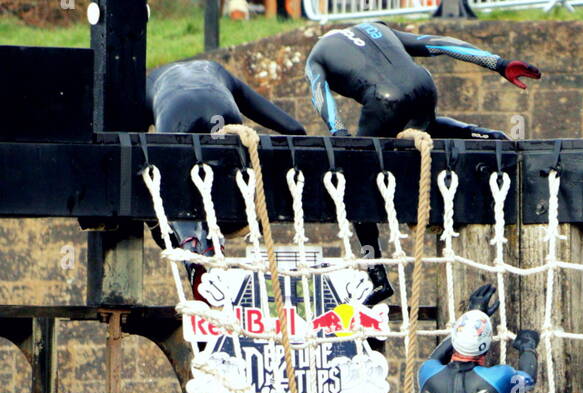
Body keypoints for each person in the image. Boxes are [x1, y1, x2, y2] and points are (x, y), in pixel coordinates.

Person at [306, 24, 540, 303]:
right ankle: (488, 135)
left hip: (382, 100)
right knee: (425, 128)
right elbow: (439, 44)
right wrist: (499, 63)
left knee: (355, 191)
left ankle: (378, 279)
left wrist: (340, 134)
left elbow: (320, 95)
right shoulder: (376, 28)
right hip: (424, 86)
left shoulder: (317, 55)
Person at [146, 60, 305, 263]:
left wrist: (157, 229)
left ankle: (188, 239)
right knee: (216, 179)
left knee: (174, 187)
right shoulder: (216, 70)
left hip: (175, 113)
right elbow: (294, 129)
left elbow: (135, 153)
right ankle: (212, 237)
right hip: (221, 107)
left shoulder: (151, 82)